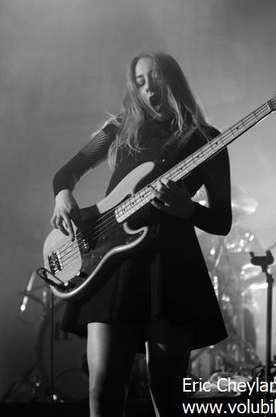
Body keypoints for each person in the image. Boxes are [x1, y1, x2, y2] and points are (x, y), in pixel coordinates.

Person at [50, 52, 232, 417]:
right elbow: (67, 172)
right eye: (140, 81)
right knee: (102, 388)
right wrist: (62, 195)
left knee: (166, 390)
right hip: (111, 262)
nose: (149, 87)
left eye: (156, 78)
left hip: (171, 266)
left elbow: (221, 221)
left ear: (173, 82)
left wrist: (189, 210)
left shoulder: (205, 139)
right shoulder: (118, 129)